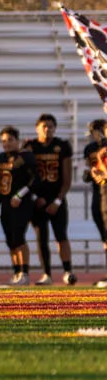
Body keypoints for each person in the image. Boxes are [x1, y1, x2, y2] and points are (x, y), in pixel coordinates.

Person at [24, 113, 76, 285]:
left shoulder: (61, 146)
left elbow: (67, 179)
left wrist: (57, 201)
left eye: (50, 126)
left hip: (57, 199)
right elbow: (25, 177)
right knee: (42, 238)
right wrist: (34, 197)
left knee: (61, 236)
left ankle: (68, 271)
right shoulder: (30, 147)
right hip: (37, 200)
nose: (47, 129)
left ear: (55, 128)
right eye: (44, 126)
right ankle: (47, 274)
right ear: (37, 128)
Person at [0, 126, 37, 285]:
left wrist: (20, 194)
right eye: (4, 141)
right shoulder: (0, 158)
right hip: (6, 203)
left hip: (22, 202)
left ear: (17, 141)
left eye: (10, 140)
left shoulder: (26, 156)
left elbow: (35, 179)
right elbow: (0, 184)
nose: (6, 144)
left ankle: (24, 273)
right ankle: (17, 271)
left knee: (19, 236)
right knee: (10, 239)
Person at [82, 118, 107, 287]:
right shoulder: (90, 149)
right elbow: (89, 172)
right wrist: (91, 173)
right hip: (99, 193)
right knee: (105, 236)